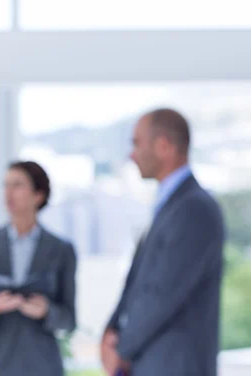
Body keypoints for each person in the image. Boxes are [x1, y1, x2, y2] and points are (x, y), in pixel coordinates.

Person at [101, 108, 225, 376]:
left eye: (136, 143)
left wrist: (121, 350)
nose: (131, 154)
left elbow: (162, 294)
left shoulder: (194, 209)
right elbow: (139, 285)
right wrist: (110, 333)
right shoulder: (169, 205)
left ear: (164, 146)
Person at [0, 161, 77, 376]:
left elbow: (69, 320)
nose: (8, 193)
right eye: (5, 185)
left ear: (38, 195)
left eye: (17, 185)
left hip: (41, 364)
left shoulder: (61, 250)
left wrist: (46, 311)